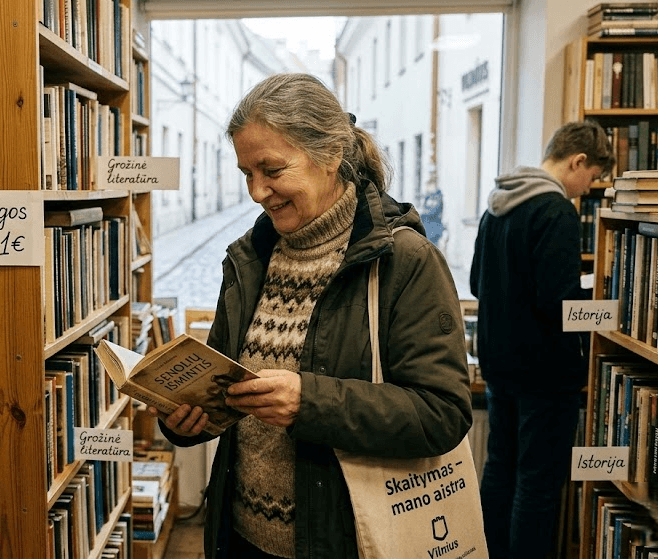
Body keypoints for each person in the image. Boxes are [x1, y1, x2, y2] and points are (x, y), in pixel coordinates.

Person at [155, 73, 473, 559]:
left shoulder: (403, 260)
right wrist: (186, 415)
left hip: (347, 542)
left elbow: (442, 413)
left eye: (272, 170)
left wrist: (309, 403)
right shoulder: (249, 259)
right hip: (241, 537)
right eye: (246, 173)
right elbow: (223, 384)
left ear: (328, 156)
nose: (257, 192)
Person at [470, 120, 613, 559]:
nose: (585, 191)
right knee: (537, 484)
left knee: (500, 471)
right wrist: (610, 308)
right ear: (578, 161)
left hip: (499, 364)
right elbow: (559, 304)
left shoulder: (498, 204)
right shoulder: (554, 210)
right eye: (590, 179)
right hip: (545, 372)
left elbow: (476, 282)